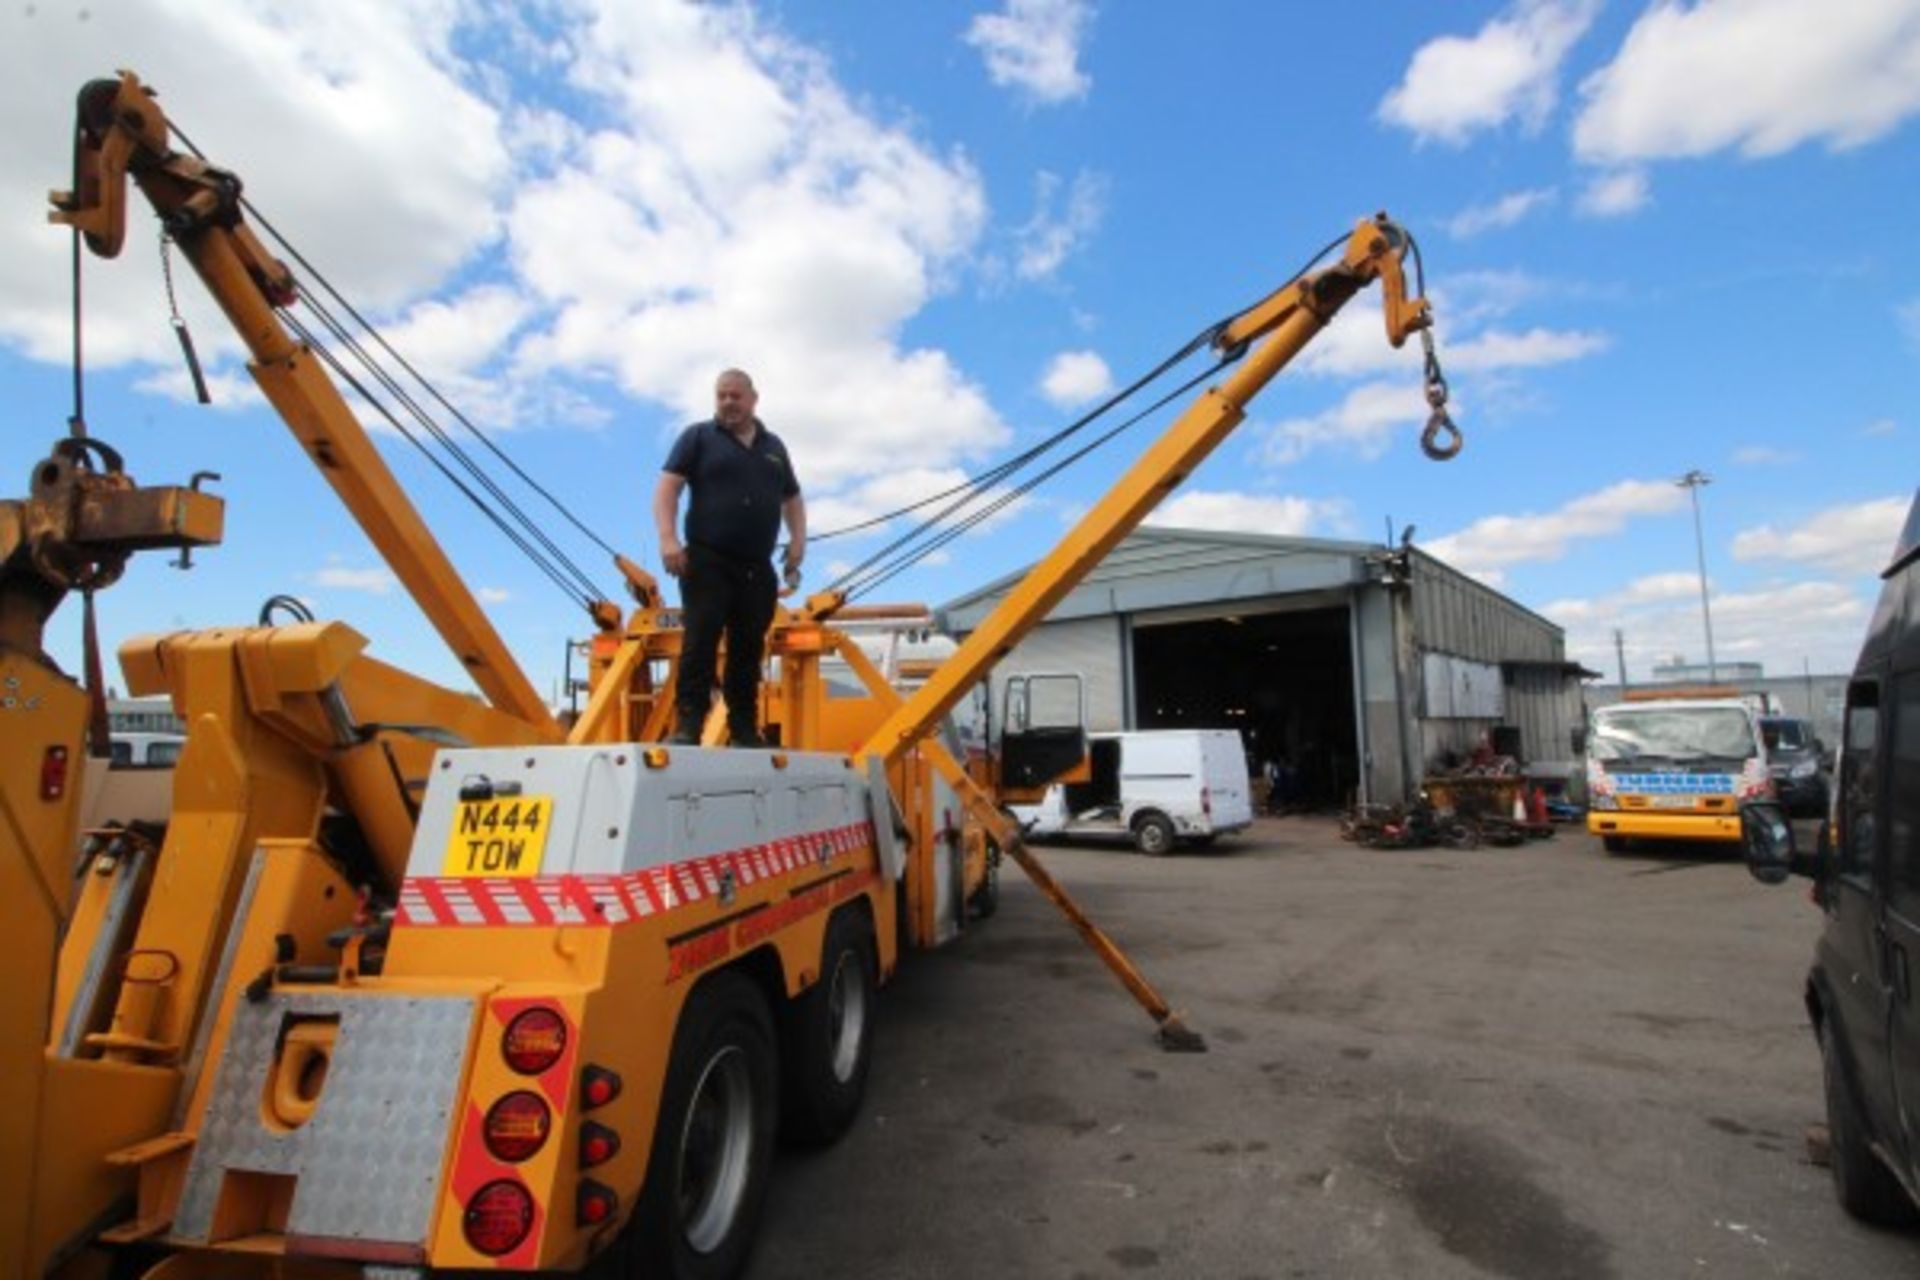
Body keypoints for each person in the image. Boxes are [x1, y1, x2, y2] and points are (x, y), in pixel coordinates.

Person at [653, 369, 805, 747]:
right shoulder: (698, 437)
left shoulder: (774, 447)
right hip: (707, 559)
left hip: (757, 566)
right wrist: (668, 538)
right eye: (721, 395)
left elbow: (792, 499)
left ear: (753, 399)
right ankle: (688, 725)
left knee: (748, 648)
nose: (727, 402)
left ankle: (742, 729)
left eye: (735, 395)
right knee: (700, 640)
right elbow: (668, 487)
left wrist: (798, 541)